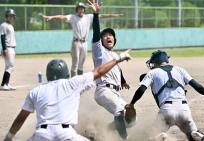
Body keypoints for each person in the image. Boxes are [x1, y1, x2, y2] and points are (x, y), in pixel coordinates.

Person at [3, 53, 131, 141]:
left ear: (48, 74)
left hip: (42, 135)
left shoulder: (35, 91)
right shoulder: (72, 83)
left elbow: (21, 118)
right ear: (66, 74)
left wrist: (8, 137)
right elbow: (99, 72)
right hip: (66, 135)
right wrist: (118, 58)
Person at [126, 50, 204, 141]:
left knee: (152, 136)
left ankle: (159, 136)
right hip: (184, 110)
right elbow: (197, 86)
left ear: (156, 62)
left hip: (167, 111)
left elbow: (141, 89)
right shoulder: (180, 70)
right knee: (192, 134)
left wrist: (132, 103)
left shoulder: (152, 72)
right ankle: (195, 134)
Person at [88, 1, 131, 140]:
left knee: (131, 116)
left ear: (115, 39)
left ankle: (107, 129)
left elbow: (116, 68)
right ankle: (125, 139)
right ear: (100, 41)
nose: (108, 36)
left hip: (116, 93)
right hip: (103, 91)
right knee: (119, 111)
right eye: (105, 35)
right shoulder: (98, 51)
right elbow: (95, 32)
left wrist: (123, 81)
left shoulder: (114, 55)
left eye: (110, 35)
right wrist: (96, 15)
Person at [43, 2, 123, 76]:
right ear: (76, 10)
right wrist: (52, 17)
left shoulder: (89, 17)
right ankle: (73, 80)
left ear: (84, 10)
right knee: (75, 63)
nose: (80, 10)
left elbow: (101, 16)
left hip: (85, 43)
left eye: (82, 8)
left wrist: (114, 15)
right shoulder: (73, 17)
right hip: (76, 43)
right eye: (79, 8)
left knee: (81, 63)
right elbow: (62, 17)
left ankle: (79, 80)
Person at [0, 9, 16, 91]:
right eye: (10, 16)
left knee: (9, 67)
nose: (12, 17)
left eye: (13, 16)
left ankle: (6, 83)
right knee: (10, 66)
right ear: (7, 16)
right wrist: (4, 49)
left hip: (12, 48)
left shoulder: (11, 26)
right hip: (8, 48)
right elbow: (2, 37)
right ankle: (3, 84)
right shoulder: (3, 25)